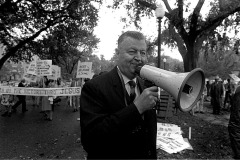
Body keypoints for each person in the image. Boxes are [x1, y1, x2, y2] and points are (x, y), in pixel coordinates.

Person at [80, 31, 159, 159]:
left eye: (143, 53)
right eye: (132, 52)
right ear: (117, 53)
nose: (139, 58)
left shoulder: (146, 85)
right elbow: (90, 140)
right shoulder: (94, 87)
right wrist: (137, 108)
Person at [228, 85, 240, 159]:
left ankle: (238, 155)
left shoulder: (239, 90)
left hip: (237, 118)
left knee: (235, 134)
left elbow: (236, 107)